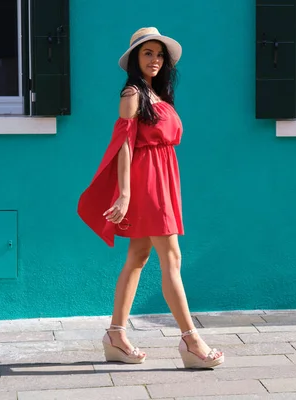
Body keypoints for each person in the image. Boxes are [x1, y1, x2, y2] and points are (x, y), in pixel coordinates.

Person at [77, 27, 224, 369]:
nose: (155, 59)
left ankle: (116, 335)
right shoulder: (132, 93)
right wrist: (125, 192)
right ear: (134, 59)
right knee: (171, 257)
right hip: (147, 181)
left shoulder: (159, 95)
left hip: (164, 176)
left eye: (159, 54)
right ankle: (191, 341)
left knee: (139, 255)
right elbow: (124, 145)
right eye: (148, 53)